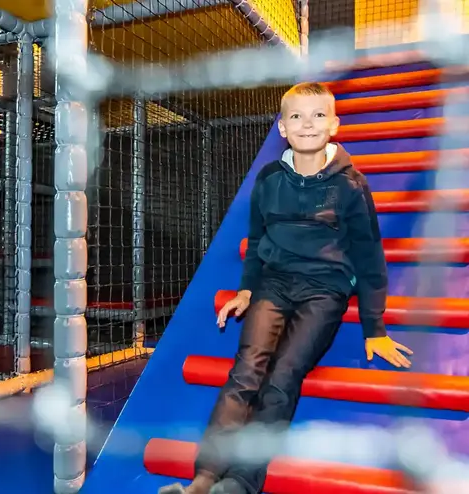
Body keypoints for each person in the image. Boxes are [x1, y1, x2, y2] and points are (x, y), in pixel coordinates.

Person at [159, 82, 413, 494]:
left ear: (334, 124)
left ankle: (241, 481)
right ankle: (204, 479)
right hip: (274, 284)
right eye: (296, 116)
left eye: (317, 115)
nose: (307, 124)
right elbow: (258, 239)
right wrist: (246, 291)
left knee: (283, 376)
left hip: (324, 290)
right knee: (245, 371)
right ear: (282, 127)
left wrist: (374, 327)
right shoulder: (269, 179)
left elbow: (369, 256)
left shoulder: (350, 185)